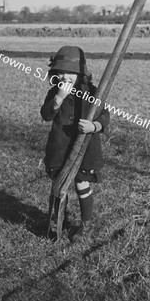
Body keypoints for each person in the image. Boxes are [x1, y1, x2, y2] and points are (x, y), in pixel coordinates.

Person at [40, 46, 110, 238]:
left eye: (70, 72)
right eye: (60, 72)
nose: (65, 76)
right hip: (61, 147)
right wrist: (58, 99)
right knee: (60, 185)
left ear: (80, 73)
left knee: (81, 184)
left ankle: (86, 225)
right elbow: (46, 115)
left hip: (84, 149)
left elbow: (105, 116)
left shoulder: (93, 93)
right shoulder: (55, 92)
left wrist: (94, 126)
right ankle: (58, 220)